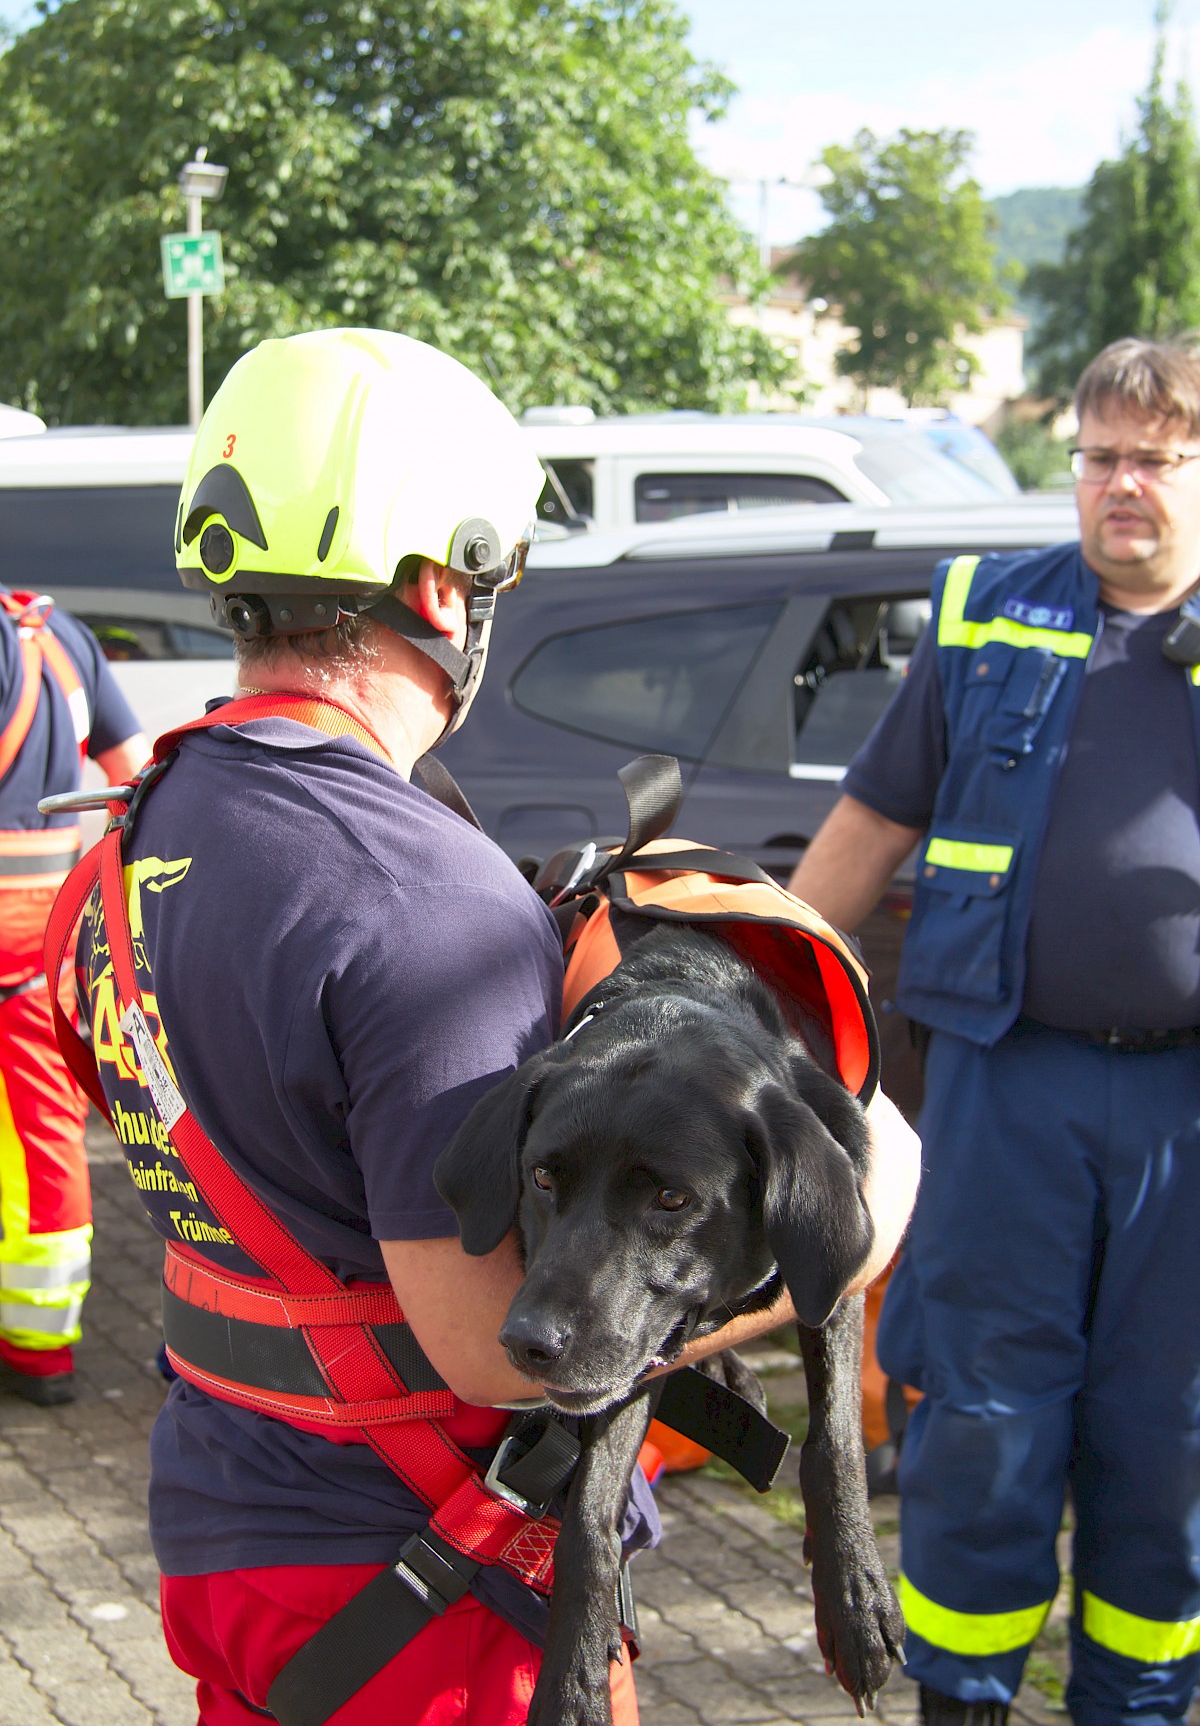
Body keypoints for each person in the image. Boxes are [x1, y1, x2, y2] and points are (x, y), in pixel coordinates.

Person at [49, 327, 918, 1726]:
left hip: (227, 1534)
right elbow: (496, 1343)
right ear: (444, 586)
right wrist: (868, 1203)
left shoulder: (143, 830)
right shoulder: (428, 902)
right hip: (422, 1585)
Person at [788, 336, 1200, 1726]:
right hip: (1004, 1094)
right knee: (980, 1415)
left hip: (1187, 1117)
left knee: (1174, 1429)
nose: (1122, 483)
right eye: (1099, 456)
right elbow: (868, 826)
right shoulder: (987, 616)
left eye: (1156, 456)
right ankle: (961, 1696)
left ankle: (1138, 1701)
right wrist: (757, 1003)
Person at [0, 586, 147, 1404]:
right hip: (43, 933)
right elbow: (132, 777)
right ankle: (40, 1346)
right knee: (42, 1131)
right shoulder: (58, 633)